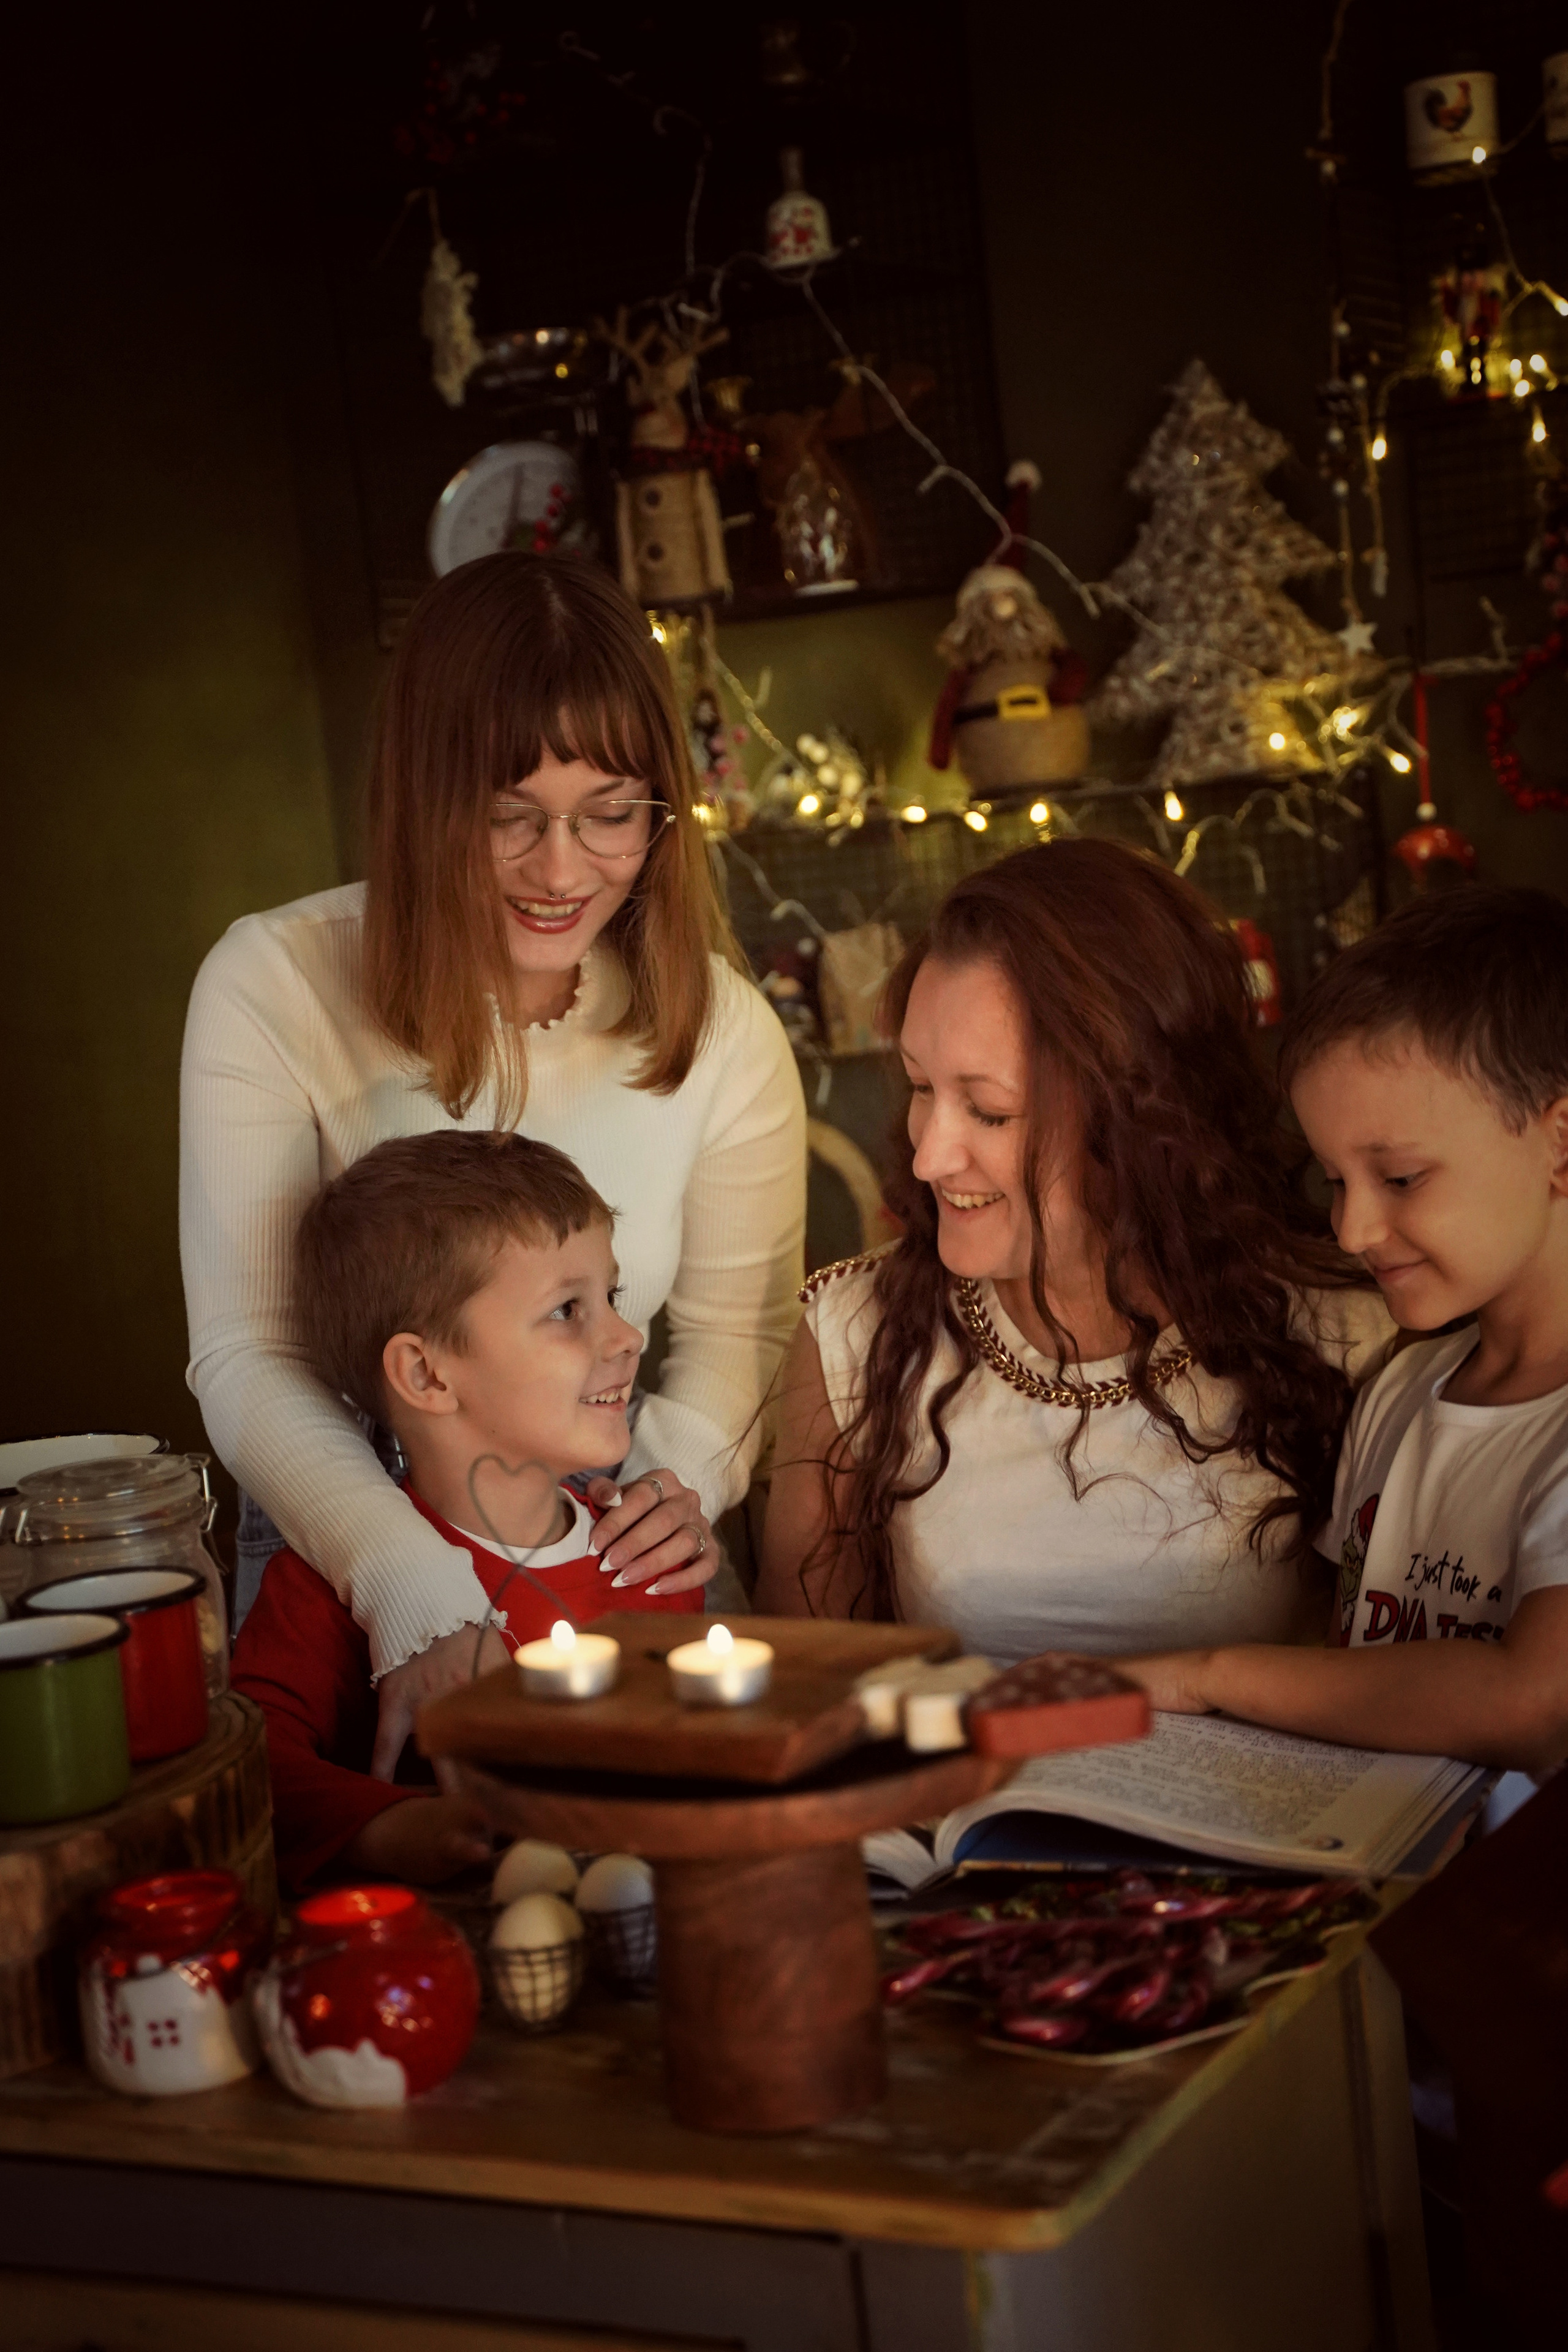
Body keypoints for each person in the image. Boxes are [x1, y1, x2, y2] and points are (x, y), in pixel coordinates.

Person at [181, 554, 804, 1771]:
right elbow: (249, 1354)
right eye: (508, 814)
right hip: (342, 1529)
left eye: (610, 813)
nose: (561, 870)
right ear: (420, 798)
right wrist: (410, 1582)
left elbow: (746, 1334)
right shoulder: (271, 983)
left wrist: (670, 1490)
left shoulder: (722, 1026)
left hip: (609, 1525)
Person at [756, 839, 1393, 1655]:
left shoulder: (1340, 1331)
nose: (927, 1156)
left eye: (988, 1110)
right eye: (921, 1087)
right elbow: (806, 1692)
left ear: (1137, 1119)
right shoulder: (856, 1332)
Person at [1119, 888, 1568, 1774]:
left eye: (1399, 1179)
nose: (1353, 1230)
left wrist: (1205, 1677)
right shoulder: (1401, 1393)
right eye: (1334, 1181)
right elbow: (1352, 1677)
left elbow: (1536, 1705)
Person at [231, 1130, 693, 1889]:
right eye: (566, 1311)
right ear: (426, 1373)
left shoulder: (646, 1560)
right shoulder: (323, 1589)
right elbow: (250, 1762)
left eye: (609, 1297)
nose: (627, 1335)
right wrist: (390, 1829)